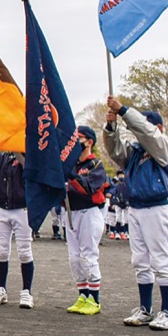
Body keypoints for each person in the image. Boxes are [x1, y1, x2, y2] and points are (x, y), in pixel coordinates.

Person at [103, 97, 168, 330]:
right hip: (136, 207)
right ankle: (146, 309)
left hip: (156, 207)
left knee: (159, 260)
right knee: (140, 261)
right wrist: (111, 127)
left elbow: (147, 132)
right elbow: (115, 150)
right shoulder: (135, 151)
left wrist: (124, 111)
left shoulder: (164, 146)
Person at [0, 139, 34, 309]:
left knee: (24, 252)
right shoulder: (3, 157)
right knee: (1, 250)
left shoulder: (28, 154)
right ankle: (1, 288)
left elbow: (29, 167)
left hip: (22, 208)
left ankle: (26, 291)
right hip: (3, 207)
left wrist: (17, 146)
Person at [64, 126, 109, 316]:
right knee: (74, 257)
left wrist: (72, 177)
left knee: (88, 255)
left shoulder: (95, 165)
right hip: (71, 212)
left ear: (89, 142)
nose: (75, 142)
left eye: (79, 139)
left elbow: (88, 188)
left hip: (89, 212)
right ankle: (82, 294)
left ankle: (94, 299)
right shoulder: (71, 164)